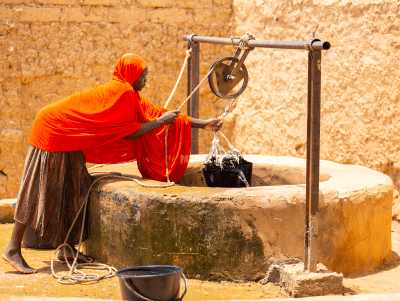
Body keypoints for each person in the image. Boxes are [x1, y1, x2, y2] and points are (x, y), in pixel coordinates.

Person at [2, 54, 222, 274]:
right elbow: (132, 132)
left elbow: (157, 114)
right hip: (53, 131)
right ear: (132, 75)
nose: (146, 80)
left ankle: (67, 248)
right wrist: (159, 123)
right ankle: (12, 249)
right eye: (143, 76)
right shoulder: (122, 93)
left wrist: (204, 124)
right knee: (38, 191)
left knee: (75, 188)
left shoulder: (131, 94)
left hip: (70, 137)